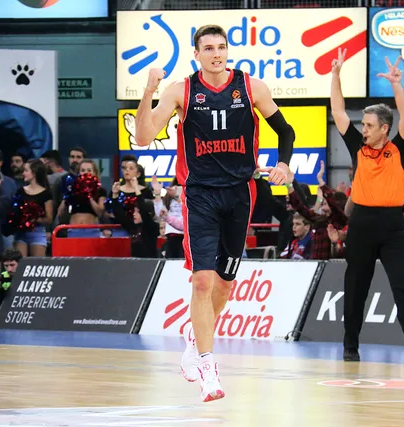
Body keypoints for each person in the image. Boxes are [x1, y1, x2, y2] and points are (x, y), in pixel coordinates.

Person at [134, 24, 294, 402]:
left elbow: (285, 131)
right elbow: (143, 137)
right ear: (197, 54)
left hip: (240, 193)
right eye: (208, 48)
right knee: (202, 281)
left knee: (224, 284)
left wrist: (284, 163)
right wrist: (148, 91)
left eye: (221, 47)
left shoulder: (251, 87)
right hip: (200, 195)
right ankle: (208, 366)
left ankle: (195, 340)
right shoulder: (181, 91)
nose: (216, 53)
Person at [330, 48, 404, 365]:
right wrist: (335, 75)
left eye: (369, 125)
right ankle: (350, 346)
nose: (363, 129)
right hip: (361, 222)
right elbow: (338, 112)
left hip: (391, 225)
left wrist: (397, 85)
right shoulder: (357, 147)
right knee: (355, 287)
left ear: (384, 129)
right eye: (363, 125)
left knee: (402, 285)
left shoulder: (399, 149)